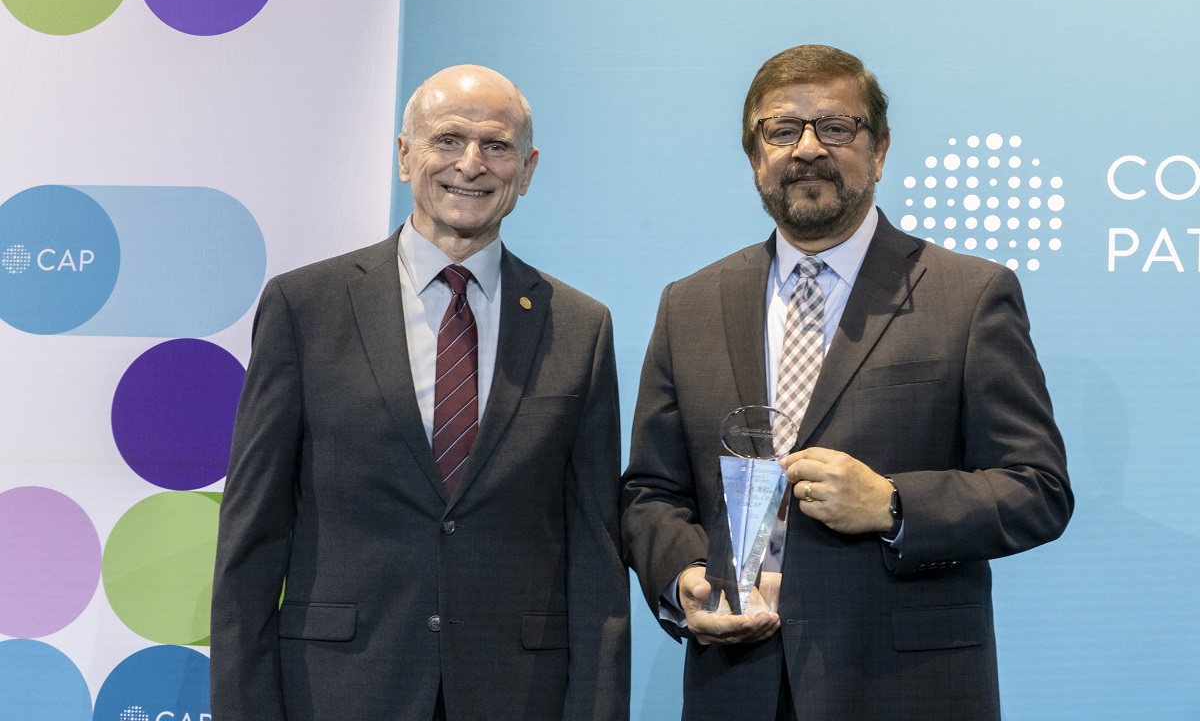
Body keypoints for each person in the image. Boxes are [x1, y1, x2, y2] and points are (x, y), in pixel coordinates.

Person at [620, 45, 1072, 720]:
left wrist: (893, 504)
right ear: (754, 159)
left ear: (881, 150)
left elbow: (1038, 489)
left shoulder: (971, 296)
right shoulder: (689, 304)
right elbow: (651, 492)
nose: (808, 149)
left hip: (906, 686)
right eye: (782, 130)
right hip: (735, 685)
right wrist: (685, 579)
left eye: (836, 127)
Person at [211, 65, 630, 721]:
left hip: (518, 698)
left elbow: (596, 560)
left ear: (528, 168)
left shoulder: (580, 328)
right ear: (405, 155)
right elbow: (253, 539)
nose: (471, 163)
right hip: (337, 692)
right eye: (448, 139)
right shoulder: (305, 308)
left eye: (496, 145)